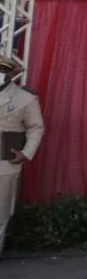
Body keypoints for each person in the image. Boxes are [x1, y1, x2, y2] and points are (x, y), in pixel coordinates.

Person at [0, 55, 44, 260]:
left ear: (10, 73)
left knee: (1, 208)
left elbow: (36, 127)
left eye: (2, 70)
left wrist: (26, 152)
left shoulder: (24, 98)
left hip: (5, 161)